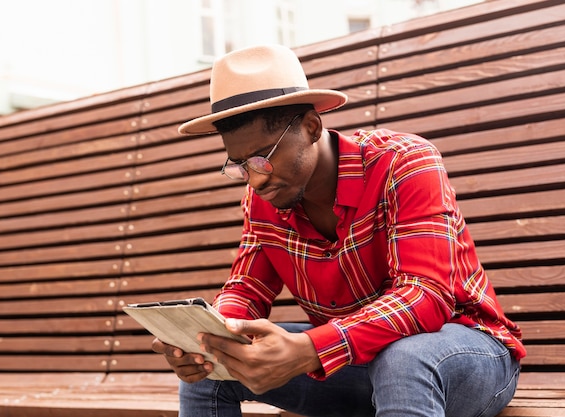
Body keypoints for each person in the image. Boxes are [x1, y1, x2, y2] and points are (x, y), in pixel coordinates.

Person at [152, 44, 525, 417]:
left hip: (464, 352)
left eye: (263, 158)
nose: (254, 179)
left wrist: (311, 348)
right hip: (354, 363)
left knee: (404, 360)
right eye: (240, 165)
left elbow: (426, 295)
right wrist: (209, 337)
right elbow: (246, 290)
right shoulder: (265, 198)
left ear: (311, 127)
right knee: (213, 371)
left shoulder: (404, 162)